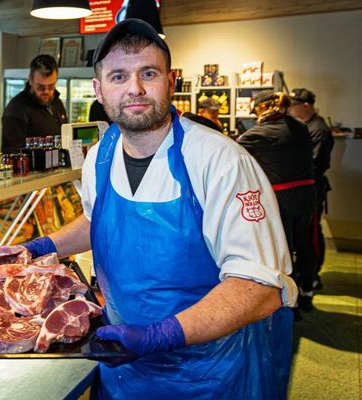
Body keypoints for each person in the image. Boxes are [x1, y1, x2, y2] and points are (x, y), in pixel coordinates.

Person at [25, 19, 296, 399]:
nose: (134, 88)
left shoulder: (220, 161)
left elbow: (259, 287)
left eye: (147, 73)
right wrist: (40, 248)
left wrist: (160, 335)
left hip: (208, 373)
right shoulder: (99, 156)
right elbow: (98, 220)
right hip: (124, 366)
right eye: (118, 76)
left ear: (170, 83)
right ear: (99, 91)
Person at [238, 90, 317, 313]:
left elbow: (234, 154)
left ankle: (287, 301)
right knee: (305, 246)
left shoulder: (255, 135)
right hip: (307, 196)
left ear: (262, 108)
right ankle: (308, 293)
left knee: (284, 250)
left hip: (281, 200)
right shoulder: (300, 126)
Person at [289, 88, 334, 290]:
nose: (291, 109)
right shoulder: (306, 126)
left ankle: (313, 275)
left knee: (312, 234)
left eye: (294, 105)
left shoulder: (319, 129)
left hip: (311, 189)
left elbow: (313, 164)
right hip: (305, 189)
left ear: (305, 106)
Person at [1, 55, 68, 153]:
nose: (46, 91)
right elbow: (12, 153)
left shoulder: (56, 103)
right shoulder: (16, 109)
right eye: (40, 87)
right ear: (30, 80)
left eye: (51, 86)